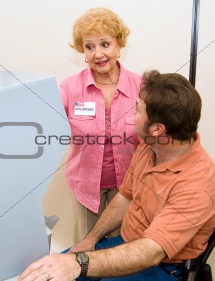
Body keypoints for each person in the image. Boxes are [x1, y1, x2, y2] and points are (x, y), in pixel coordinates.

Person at [19, 70, 215, 281]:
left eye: (136, 110)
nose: (130, 115)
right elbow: (125, 196)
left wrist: (79, 264)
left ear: (157, 129)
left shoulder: (198, 184)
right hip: (126, 243)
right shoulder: (149, 147)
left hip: (161, 265)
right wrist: (91, 240)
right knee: (43, 272)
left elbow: (151, 252)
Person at [59, 7, 142, 237]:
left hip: (128, 190)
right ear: (82, 51)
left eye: (105, 44)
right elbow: (48, 126)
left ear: (118, 45)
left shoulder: (141, 87)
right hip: (84, 188)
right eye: (89, 46)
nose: (98, 54)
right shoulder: (69, 88)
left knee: (120, 254)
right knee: (86, 253)